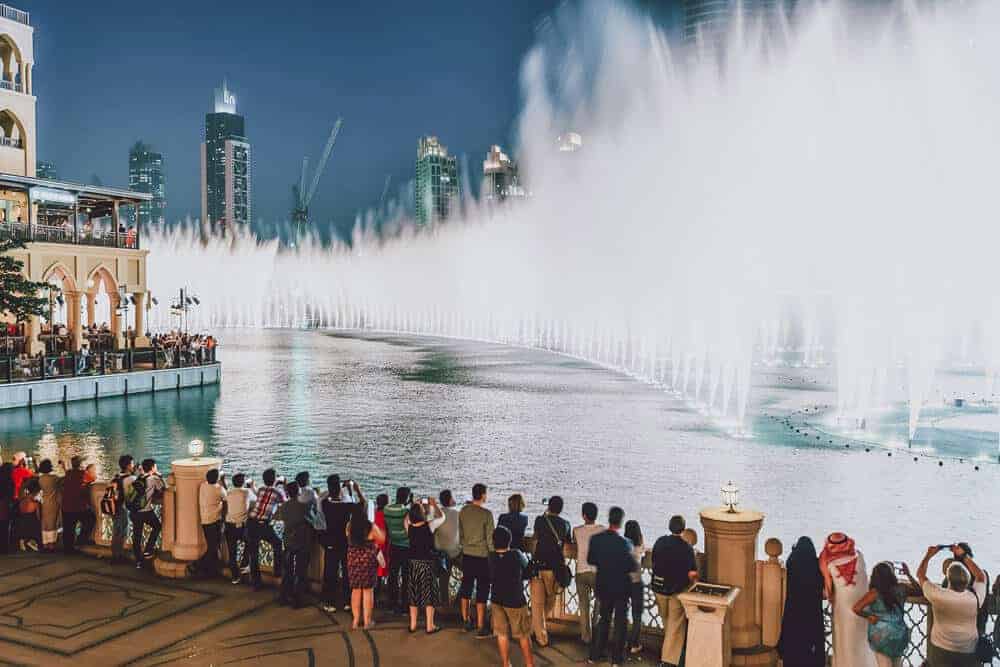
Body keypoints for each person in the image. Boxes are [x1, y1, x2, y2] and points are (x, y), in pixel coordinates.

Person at [917, 543, 987, 666]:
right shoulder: (974, 599)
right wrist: (964, 556)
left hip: (939, 653)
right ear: (967, 580)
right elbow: (981, 577)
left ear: (948, 579)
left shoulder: (938, 594)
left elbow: (920, 575)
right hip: (967, 653)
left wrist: (929, 555)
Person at [587, 506, 636, 667]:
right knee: (620, 624)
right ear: (620, 522)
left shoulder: (596, 539)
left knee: (604, 620)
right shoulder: (626, 544)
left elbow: (591, 560)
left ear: (609, 519)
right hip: (621, 588)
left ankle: (595, 654)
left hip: (603, 585)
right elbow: (632, 566)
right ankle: (616, 659)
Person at [820, 532, 876, 667]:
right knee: (863, 646)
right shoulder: (859, 556)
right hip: (864, 610)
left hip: (842, 612)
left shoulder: (827, 562)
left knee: (845, 647)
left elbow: (828, 593)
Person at [651, 515, 699, 667]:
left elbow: (654, 561)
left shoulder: (660, 542)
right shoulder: (687, 548)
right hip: (676, 590)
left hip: (658, 587)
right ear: (683, 529)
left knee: (667, 622)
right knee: (674, 626)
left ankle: (669, 653)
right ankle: (667, 661)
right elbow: (692, 574)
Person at [852, 562, 915, 667]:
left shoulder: (874, 593)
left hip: (881, 637)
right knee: (897, 664)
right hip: (899, 634)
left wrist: (869, 616)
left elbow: (856, 608)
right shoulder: (901, 588)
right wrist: (908, 574)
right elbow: (920, 591)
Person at [489, 525, 535, 667]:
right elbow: (528, 571)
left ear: (493, 541)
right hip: (515, 600)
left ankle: (506, 664)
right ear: (509, 541)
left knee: (502, 634)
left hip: (497, 599)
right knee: (522, 634)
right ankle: (529, 665)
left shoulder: (490, 557)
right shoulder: (516, 554)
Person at [530, 495, 572, 647]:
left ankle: (538, 634)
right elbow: (568, 542)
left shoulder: (540, 520)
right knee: (550, 600)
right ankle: (538, 631)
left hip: (537, 565)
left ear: (549, 507)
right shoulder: (566, 524)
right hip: (554, 568)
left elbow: (535, 537)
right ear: (561, 509)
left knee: (536, 603)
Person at [777, 537, 826, 667]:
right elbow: (823, 591)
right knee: (810, 650)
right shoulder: (816, 565)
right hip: (812, 613)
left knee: (793, 648)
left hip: (793, 611)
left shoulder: (791, 562)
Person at [320, 475, 364, 613]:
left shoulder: (325, 504)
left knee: (330, 572)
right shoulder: (347, 506)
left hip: (330, 542)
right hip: (345, 542)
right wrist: (354, 489)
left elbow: (325, 496)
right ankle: (347, 601)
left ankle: (329, 602)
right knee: (347, 572)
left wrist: (339, 488)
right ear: (339, 489)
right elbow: (362, 504)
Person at [459, 482, 495, 638]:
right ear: (483, 495)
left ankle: (465, 621)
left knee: (466, 587)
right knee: (482, 590)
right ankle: (481, 626)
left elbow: (460, 535)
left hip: (467, 555)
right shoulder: (487, 514)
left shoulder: (463, 511)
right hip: (482, 557)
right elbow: (490, 541)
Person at [406, 500, 443, 634]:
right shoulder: (430, 526)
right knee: (429, 595)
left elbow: (407, 519)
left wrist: (413, 505)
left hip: (412, 563)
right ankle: (429, 626)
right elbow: (441, 517)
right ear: (422, 513)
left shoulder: (409, 527)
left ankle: (413, 625)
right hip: (426, 564)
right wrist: (433, 505)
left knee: (413, 595)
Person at [346, 503, 385, 629]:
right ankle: (367, 622)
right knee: (368, 590)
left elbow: (348, 538)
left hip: (353, 558)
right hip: (367, 559)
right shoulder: (370, 526)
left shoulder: (349, 526)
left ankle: (356, 621)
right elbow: (381, 539)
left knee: (355, 590)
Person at [246, 468, 286, 589]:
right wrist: (283, 484)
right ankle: (277, 571)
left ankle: (256, 582)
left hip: (251, 522)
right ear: (274, 479)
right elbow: (285, 501)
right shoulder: (278, 492)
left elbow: (258, 495)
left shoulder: (261, 489)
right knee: (278, 544)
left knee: (253, 553)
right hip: (264, 524)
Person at [275, 482, 313, 608]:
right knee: (301, 571)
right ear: (298, 491)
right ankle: (298, 600)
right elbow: (312, 518)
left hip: (288, 540)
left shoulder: (284, 506)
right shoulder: (304, 505)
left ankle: (283, 596)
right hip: (302, 540)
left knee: (287, 571)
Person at [574, 501, 605, 645]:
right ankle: (597, 634)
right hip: (597, 572)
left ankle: (586, 637)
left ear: (583, 515)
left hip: (581, 571)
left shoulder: (577, 530)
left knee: (583, 605)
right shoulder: (602, 530)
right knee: (599, 606)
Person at [128, 458, 165, 569]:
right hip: (145, 511)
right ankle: (148, 550)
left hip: (134, 511)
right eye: (155, 466)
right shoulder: (153, 478)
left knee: (137, 535)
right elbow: (164, 488)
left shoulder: (139, 478)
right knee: (157, 527)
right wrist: (160, 475)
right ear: (153, 467)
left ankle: (138, 560)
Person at [384, 487, 412, 613]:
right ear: (407, 498)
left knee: (393, 575)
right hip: (406, 547)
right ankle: (405, 606)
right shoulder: (406, 511)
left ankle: (392, 603)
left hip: (393, 545)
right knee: (406, 577)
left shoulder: (387, 509)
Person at [224, 473, 256, 584]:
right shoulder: (247, 492)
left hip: (229, 525)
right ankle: (244, 564)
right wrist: (252, 486)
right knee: (250, 543)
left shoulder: (229, 492)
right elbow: (256, 498)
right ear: (243, 482)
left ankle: (235, 577)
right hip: (242, 526)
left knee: (232, 553)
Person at [60, 456, 96, 554]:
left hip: (66, 506)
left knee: (68, 528)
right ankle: (81, 539)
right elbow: (93, 478)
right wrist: (88, 469)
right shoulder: (83, 474)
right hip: (79, 506)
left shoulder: (68, 473)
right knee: (91, 519)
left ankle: (68, 549)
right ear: (80, 464)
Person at [195, 468, 227, 577]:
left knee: (212, 546)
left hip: (205, 521)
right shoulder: (219, 489)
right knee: (213, 547)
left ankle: (210, 570)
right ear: (217, 478)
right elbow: (227, 498)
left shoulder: (203, 486)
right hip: (215, 521)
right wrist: (223, 480)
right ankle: (197, 565)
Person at [433, 489, 461, 606]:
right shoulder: (457, 514)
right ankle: (459, 600)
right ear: (450, 500)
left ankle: (444, 603)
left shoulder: (435, 514)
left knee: (443, 581)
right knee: (470, 573)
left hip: (440, 554)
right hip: (455, 552)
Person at [623, 520, 645, 658]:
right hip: (636, 582)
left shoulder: (622, 544)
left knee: (623, 613)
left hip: (623, 581)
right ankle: (634, 644)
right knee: (637, 615)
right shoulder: (639, 545)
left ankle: (623, 641)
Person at [109, 455, 135, 564]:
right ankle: (118, 556)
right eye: (132, 464)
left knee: (116, 532)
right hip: (122, 508)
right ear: (128, 466)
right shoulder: (130, 478)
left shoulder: (116, 477)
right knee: (123, 532)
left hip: (113, 507)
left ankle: (114, 555)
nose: (133, 466)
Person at [36, 459, 61, 552]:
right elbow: (63, 480)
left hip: (44, 502)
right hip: (53, 502)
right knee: (53, 522)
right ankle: (52, 544)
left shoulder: (40, 479)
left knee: (45, 522)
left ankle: (46, 543)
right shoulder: (54, 478)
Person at [15, 478, 42, 551]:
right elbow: (38, 516)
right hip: (32, 525)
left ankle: (25, 542)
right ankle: (32, 542)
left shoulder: (22, 500)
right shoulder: (35, 503)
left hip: (22, 523)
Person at [374, 493, 391, 591]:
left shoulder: (375, 513)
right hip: (385, 545)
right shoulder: (387, 515)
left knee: (377, 570)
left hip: (376, 545)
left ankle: (376, 593)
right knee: (384, 569)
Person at [0, 463, 13, 554]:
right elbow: (10, 495)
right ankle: (4, 548)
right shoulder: (9, 481)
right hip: (4, 505)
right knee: (4, 527)